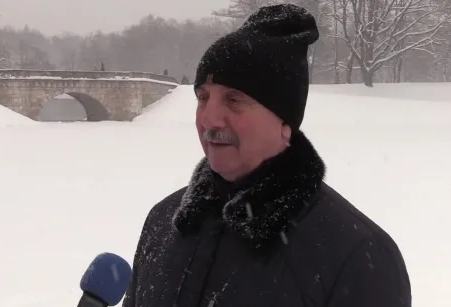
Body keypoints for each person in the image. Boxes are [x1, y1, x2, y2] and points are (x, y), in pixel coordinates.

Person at [122, 4, 411, 307]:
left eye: (234, 100)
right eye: (203, 97)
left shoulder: (357, 257)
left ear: (285, 122)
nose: (209, 119)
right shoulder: (164, 221)